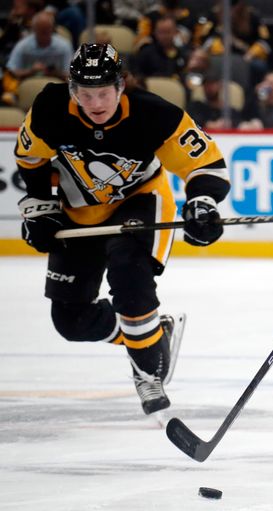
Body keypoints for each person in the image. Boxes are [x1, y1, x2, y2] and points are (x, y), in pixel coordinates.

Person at [14, 43, 230, 416]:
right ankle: (148, 334)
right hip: (78, 212)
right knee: (71, 321)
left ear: (120, 86)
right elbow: (30, 158)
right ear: (71, 89)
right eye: (85, 94)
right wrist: (40, 205)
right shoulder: (50, 108)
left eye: (103, 93)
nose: (95, 103)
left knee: (130, 280)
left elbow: (205, 164)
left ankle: (147, 373)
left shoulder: (153, 113)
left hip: (139, 202)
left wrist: (203, 202)